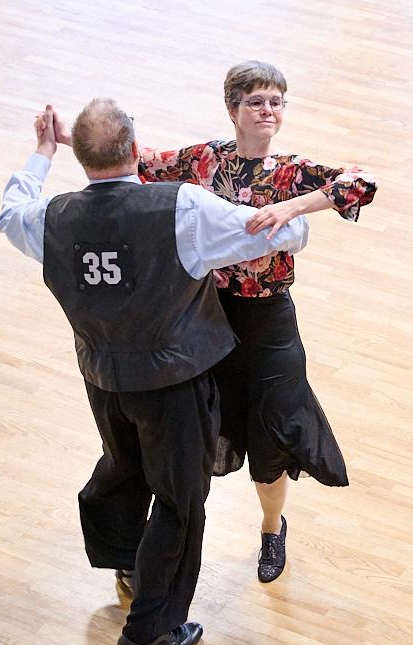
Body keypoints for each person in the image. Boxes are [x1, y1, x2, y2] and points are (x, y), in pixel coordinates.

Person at [0, 99, 310, 645]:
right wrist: (297, 219)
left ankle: (127, 562)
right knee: (179, 501)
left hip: (103, 379)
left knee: (124, 467)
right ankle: (150, 631)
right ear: (136, 151)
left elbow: (10, 211)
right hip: (174, 383)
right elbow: (272, 234)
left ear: (80, 157)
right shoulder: (181, 206)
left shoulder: (50, 218)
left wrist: (42, 153)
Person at [137, 61, 377, 583]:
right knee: (197, 430)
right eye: (256, 102)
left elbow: (360, 182)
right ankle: (172, 539)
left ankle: (272, 529)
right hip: (210, 319)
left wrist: (293, 208)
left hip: (269, 325)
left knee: (272, 440)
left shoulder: (290, 171)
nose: (268, 110)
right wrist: (69, 137)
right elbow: (139, 160)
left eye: (276, 102)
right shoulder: (205, 160)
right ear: (233, 109)